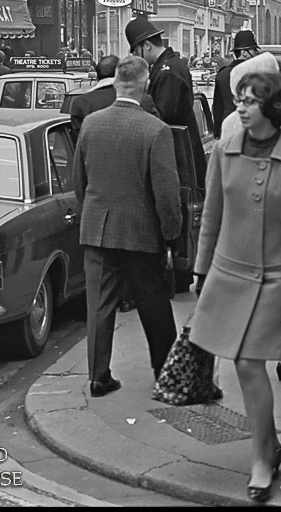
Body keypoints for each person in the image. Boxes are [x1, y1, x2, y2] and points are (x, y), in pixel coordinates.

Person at [189, 72, 281, 503]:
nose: (240, 108)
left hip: (274, 280)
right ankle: (270, 446)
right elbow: (212, 215)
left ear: (272, 109)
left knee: (247, 364)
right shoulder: (224, 150)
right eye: (239, 100)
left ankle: (262, 456)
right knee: (244, 365)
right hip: (229, 273)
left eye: (249, 102)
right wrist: (201, 270)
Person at [72, 56, 183, 398]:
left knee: (99, 305)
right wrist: (171, 233)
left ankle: (98, 375)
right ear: (145, 85)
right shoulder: (155, 130)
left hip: (98, 227)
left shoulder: (91, 124)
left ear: (117, 84)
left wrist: (91, 211)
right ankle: (165, 372)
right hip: (140, 230)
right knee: (153, 302)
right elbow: (167, 193)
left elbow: (79, 180)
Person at [125, 16, 207, 189]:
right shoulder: (171, 65)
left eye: (135, 51)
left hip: (178, 158)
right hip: (181, 154)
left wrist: (143, 98)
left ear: (146, 45)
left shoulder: (167, 71)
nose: (134, 56)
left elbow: (162, 120)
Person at [69, 54, 159, 144]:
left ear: (97, 76)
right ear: (120, 73)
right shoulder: (143, 99)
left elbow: (77, 143)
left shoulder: (82, 103)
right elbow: (157, 132)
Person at [212, 29, 260, 137]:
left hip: (227, 130)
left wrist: (217, 134)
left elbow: (218, 109)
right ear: (244, 52)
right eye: (253, 50)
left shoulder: (222, 74)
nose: (256, 53)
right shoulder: (255, 74)